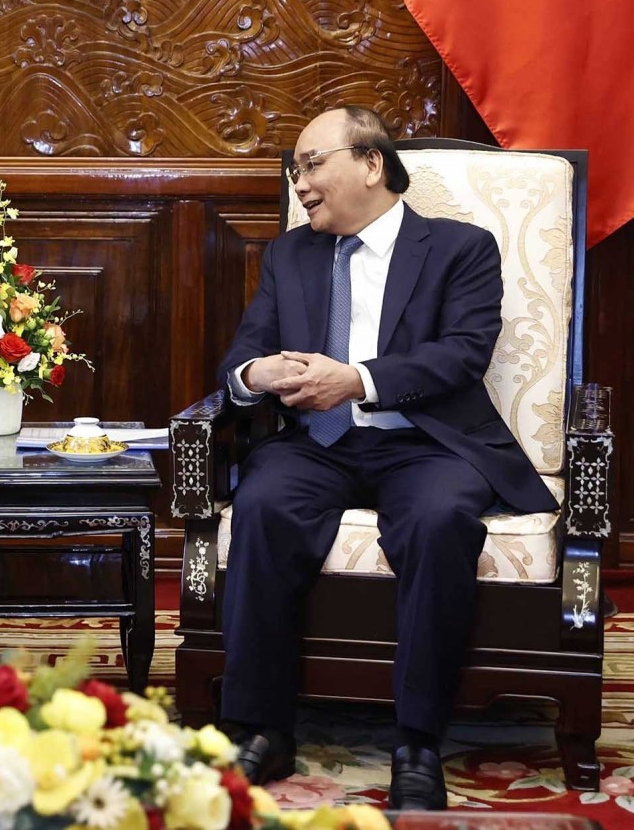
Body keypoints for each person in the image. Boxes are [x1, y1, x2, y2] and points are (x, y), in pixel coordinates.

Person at [216, 106, 558, 810]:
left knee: (439, 520)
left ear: (372, 163)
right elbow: (242, 358)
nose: (300, 183)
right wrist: (259, 377)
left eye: (313, 164)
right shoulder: (289, 254)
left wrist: (359, 378)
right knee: (261, 503)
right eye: (295, 169)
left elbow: (462, 353)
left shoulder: (461, 248)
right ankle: (263, 726)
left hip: (426, 442)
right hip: (317, 442)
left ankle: (416, 738)